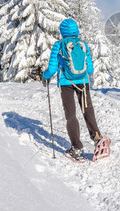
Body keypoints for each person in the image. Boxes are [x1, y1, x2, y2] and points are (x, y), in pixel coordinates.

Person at [41, 18, 103, 162]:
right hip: (83, 81)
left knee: (71, 115)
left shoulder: (58, 45)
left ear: (62, 32)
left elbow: (51, 69)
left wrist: (45, 77)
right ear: (76, 30)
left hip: (65, 83)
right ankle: (97, 138)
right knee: (87, 110)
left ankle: (76, 148)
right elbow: (90, 69)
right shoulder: (83, 45)